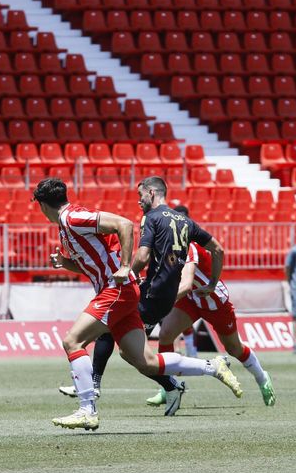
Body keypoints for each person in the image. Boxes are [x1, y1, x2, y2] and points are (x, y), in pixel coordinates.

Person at [33, 177, 240, 431]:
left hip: (116, 290)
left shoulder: (73, 218)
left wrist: (124, 267)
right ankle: (212, 366)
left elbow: (124, 224)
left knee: (72, 341)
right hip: (120, 291)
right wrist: (66, 264)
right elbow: (93, 264)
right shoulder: (66, 227)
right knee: (147, 362)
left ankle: (87, 409)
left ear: (43, 205)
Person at [54, 177, 200, 415]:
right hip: (145, 290)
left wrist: (127, 272)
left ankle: (93, 392)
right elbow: (214, 249)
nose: (138, 200)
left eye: (141, 194)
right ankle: (203, 370)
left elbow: (143, 256)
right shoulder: (170, 229)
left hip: (148, 294)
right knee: (137, 356)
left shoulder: (152, 220)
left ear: (152, 193)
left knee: (102, 338)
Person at [156, 223, 275, 406]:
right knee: (165, 335)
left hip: (213, 301)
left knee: (233, 348)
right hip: (191, 299)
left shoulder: (189, 248)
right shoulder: (166, 247)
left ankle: (262, 377)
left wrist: (161, 300)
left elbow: (187, 283)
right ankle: (169, 387)